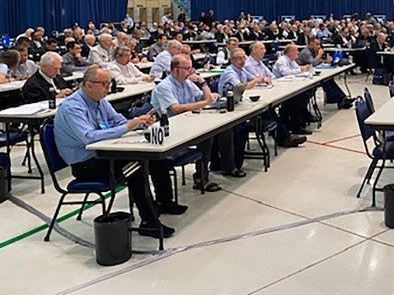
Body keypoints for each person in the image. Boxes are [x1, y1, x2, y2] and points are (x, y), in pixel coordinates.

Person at [54, 66, 183, 238]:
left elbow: (118, 121)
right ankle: (149, 222)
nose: (108, 88)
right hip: (85, 163)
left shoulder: (100, 101)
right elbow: (88, 137)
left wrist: (139, 122)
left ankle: (164, 201)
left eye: (109, 83)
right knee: (135, 167)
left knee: (153, 157)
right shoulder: (72, 107)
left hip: (105, 153)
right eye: (104, 84)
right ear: (88, 85)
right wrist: (127, 127)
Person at [216, 49, 306, 173]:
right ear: (231, 60)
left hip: (240, 104)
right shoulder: (230, 72)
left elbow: (257, 78)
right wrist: (256, 81)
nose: (242, 61)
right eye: (238, 58)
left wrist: (262, 80)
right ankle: (233, 165)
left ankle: (285, 136)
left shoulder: (242, 70)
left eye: (243, 58)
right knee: (239, 128)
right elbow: (242, 86)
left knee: (268, 110)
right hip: (226, 109)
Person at [150, 55, 224, 191]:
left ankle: (202, 175)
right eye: (186, 68)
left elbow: (207, 98)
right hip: (171, 128)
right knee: (206, 137)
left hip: (188, 124)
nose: (189, 72)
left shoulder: (187, 83)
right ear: (174, 69)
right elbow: (176, 109)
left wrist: (202, 82)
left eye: (190, 68)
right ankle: (202, 177)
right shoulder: (164, 86)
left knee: (210, 133)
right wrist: (205, 102)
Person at [297, 38, 354, 109]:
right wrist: (320, 55)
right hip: (303, 78)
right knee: (325, 81)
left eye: (319, 44)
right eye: (316, 44)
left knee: (329, 79)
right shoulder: (305, 52)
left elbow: (318, 62)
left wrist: (326, 60)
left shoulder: (313, 51)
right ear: (311, 44)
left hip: (311, 75)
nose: (318, 46)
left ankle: (342, 99)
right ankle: (340, 100)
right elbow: (313, 63)